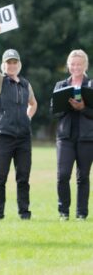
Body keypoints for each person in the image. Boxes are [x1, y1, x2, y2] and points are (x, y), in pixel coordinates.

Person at [0, 25, 37, 220]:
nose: (11, 65)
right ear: (3, 65)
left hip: (24, 138)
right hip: (3, 137)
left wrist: (27, 117)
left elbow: (33, 104)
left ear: (19, 65)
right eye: (8, 62)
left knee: (23, 178)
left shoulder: (26, 84)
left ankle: (24, 213)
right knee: (0, 178)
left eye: (14, 62)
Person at [51, 49, 93, 221]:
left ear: (85, 66)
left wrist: (83, 108)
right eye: (73, 64)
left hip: (87, 138)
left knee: (83, 177)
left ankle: (81, 213)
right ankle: (63, 212)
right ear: (68, 66)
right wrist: (69, 105)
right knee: (62, 176)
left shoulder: (91, 85)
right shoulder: (60, 85)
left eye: (79, 64)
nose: (76, 67)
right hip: (65, 138)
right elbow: (53, 111)